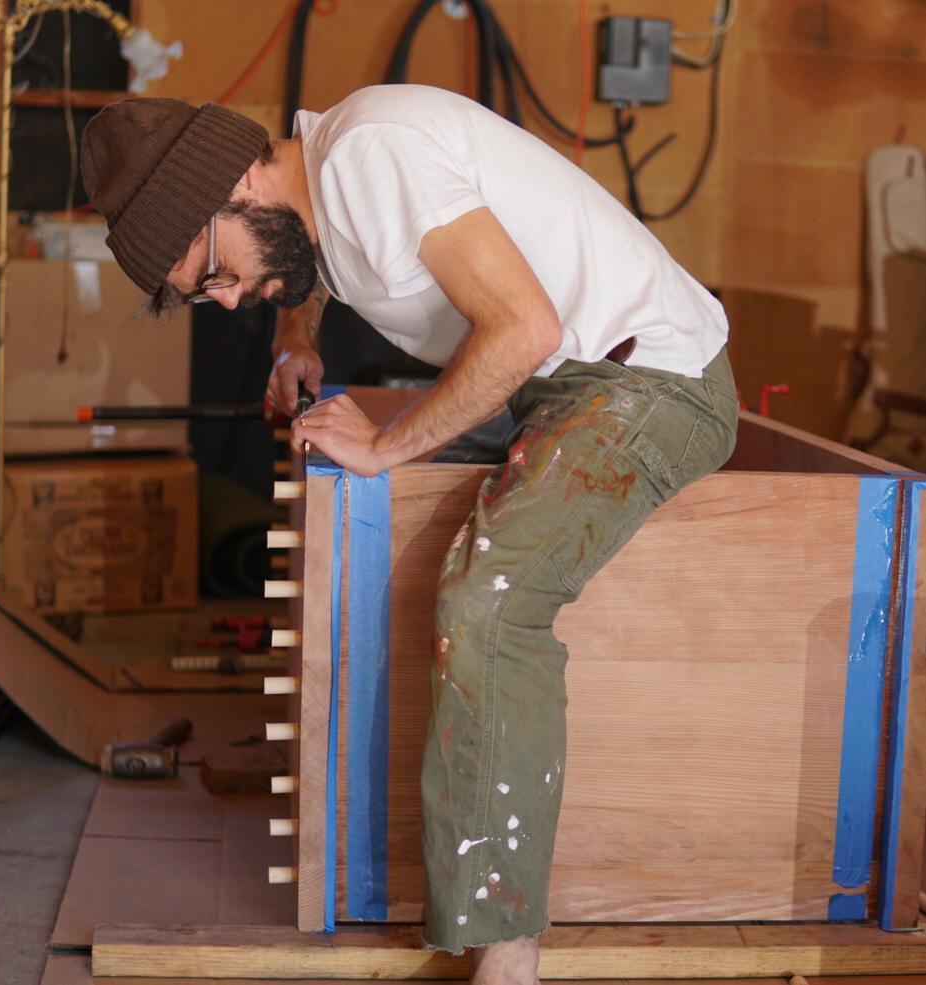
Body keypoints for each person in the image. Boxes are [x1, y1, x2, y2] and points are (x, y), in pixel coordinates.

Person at [81, 84, 738, 985]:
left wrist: (388, 443)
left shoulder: (370, 156)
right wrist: (295, 339)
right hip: (551, 388)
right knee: (407, 530)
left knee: (487, 602)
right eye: (212, 295)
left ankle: (508, 957)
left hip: (648, 382)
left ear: (236, 179)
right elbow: (305, 260)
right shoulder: (315, 183)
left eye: (220, 275)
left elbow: (524, 328)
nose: (231, 300)